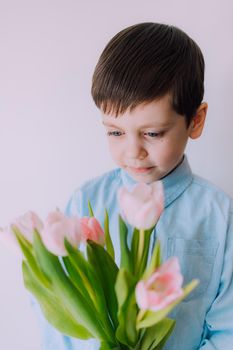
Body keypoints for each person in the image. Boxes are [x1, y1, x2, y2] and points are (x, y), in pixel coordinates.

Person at [33, 22, 233, 349]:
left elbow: (228, 331)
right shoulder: (85, 202)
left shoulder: (221, 216)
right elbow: (58, 309)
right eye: (115, 132)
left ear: (195, 121)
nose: (132, 152)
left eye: (152, 133)